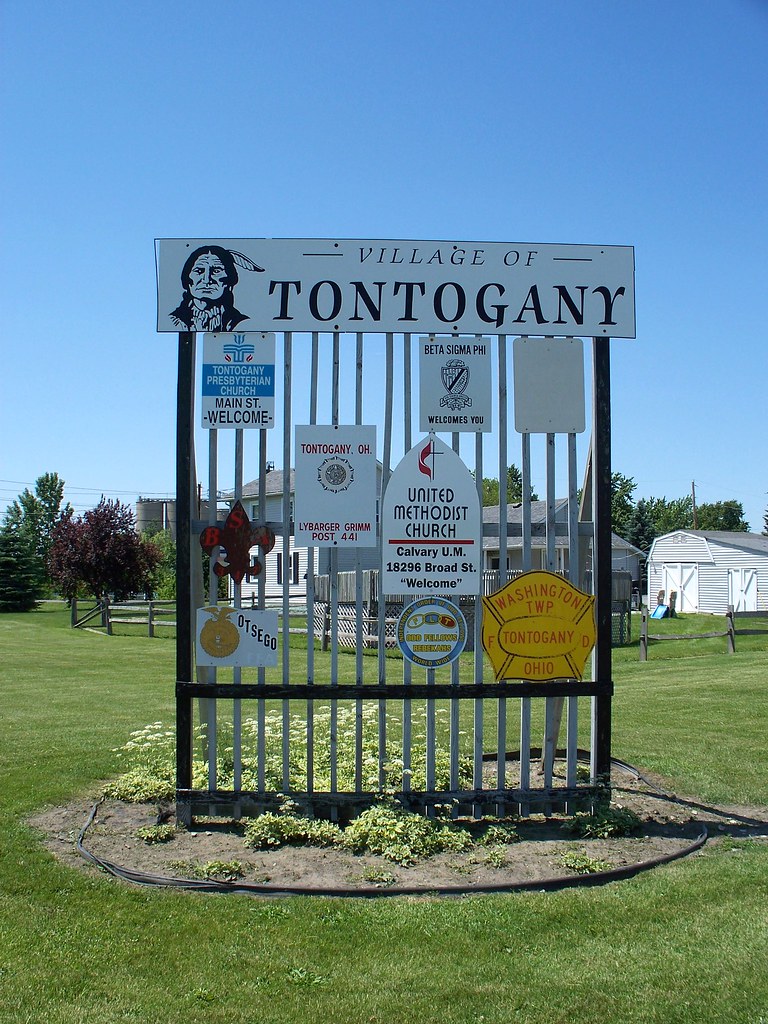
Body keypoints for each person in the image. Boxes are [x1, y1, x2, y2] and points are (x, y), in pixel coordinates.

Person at [169, 245, 263, 332]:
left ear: (229, 279)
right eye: (199, 271)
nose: (206, 280)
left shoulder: (241, 324)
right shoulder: (173, 321)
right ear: (187, 278)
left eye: (216, 271)